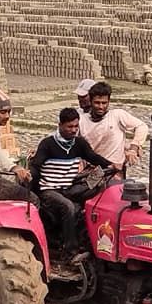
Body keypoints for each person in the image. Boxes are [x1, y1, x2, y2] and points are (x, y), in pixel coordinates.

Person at [29, 108, 113, 253]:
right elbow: (36, 167)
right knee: (68, 207)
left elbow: (92, 157)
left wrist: (111, 165)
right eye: (70, 127)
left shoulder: (79, 143)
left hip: (68, 187)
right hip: (49, 190)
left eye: (76, 126)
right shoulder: (47, 144)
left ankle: (88, 238)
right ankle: (70, 249)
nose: (74, 130)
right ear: (60, 125)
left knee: (100, 191)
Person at [80, 82, 148, 172]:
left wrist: (133, 148)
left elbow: (141, 126)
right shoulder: (82, 120)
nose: (101, 107)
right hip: (90, 169)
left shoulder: (117, 115)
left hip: (114, 169)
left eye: (104, 103)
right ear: (91, 101)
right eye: (97, 103)